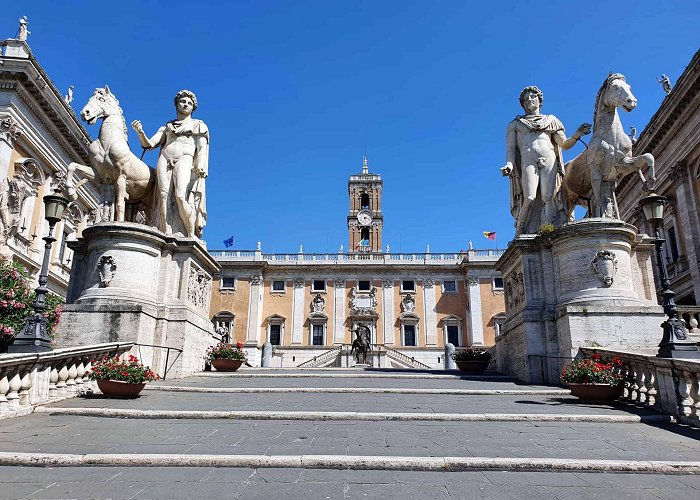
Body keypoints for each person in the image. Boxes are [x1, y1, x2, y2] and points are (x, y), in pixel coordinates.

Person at [501, 86, 591, 235]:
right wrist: (509, 165)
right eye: (526, 99)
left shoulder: (551, 121)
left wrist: (577, 134)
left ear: (539, 100)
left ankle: (547, 230)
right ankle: (521, 228)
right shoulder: (515, 125)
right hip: (528, 160)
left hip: (549, 159)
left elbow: (564, 145)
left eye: (533, 97)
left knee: (548, 197)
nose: (530, 100)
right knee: (529, 197)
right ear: (522, 104)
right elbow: (511, 150)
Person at [132, 90, 209, 238]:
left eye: (189, 103)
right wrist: (140, 132)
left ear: (193, 107)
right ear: (177, 105)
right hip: (165, 158)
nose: (186, 104)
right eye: (183, 101)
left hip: (185, 159)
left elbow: (202, 149)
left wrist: (201, 166)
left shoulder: (199, 125)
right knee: (163, 196)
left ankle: (190, 233)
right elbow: (149, 145)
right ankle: (166, 232)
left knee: (181, 196)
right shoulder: (167, 127)